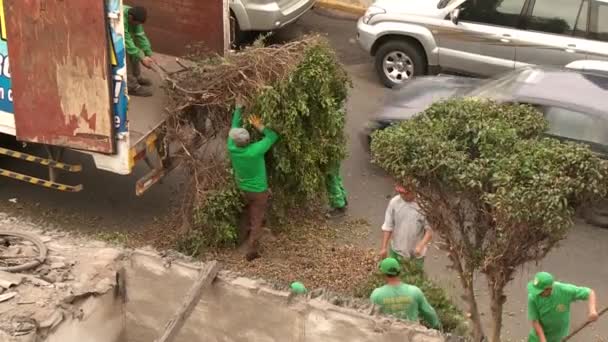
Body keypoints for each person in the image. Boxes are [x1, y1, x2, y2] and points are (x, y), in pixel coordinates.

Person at [227, 100, 279, 262]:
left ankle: (242, 235)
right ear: (249, 140)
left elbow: (234, 126)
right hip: (258, 191)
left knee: (248, 210)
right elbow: (273, 136)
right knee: (256, 218)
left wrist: (238, 109)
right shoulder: (255, 150)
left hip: (242, 187)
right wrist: (258, 125)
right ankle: (252, 249)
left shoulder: (232, 147)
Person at [370, 257, 441, 329]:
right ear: (399, 271)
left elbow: (370, 322)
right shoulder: (415, 291)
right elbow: (430, 315)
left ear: (383, 273)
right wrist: (438, 329)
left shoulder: (377, 294)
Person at [527, 272, 598, 342]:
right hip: (538, 337)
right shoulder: (532, 297)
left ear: (549, 289)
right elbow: (535, 321)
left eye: (540, 291)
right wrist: (542, 339)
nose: (537, 293)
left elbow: (590, 293)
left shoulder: (564, 290)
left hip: (559, 337)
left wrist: (592, 310)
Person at [379, 184, 433, 269]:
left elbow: (429, 231)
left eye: (405, 193)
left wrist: (421, 245)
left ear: (414, 190)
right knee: (394, 276)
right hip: (396, 250)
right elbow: (388, 225)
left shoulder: (424, 206)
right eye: (400, 193)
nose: (402, 195)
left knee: (413, 280)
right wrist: (384, 247)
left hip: (416, 254)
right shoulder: (394, 202)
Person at [124, 5, 155, 97]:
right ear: (130, 18)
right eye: (136, 24)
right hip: (115, 38)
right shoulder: (121, 19)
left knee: (135, 52)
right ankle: (132, 87)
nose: (137, 25)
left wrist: (149, 53)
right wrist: (142, 58)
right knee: (126, 55)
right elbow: (126, 41)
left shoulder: (134, 16)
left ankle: (137, 77)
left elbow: (140, 36)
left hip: (126, 38)